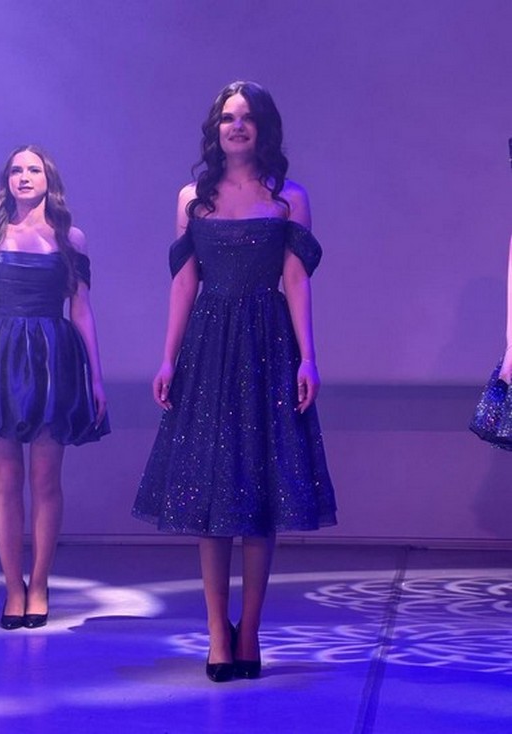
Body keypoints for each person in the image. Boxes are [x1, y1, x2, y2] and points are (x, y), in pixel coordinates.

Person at [132, 81, 336, 681]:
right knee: (208, 492)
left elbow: (296, 281)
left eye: (247, 117)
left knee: (260, 491)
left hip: (268, 346)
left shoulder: (289, 197)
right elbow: (184, 283)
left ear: (263, 127)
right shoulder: (192, 198)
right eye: (228, 117)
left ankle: (250, 632)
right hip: (208, 348)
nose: (237, 126)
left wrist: (308, 358)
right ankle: (217, 634)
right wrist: (167, 358)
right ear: (215, 129)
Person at [0, 145, 110, 629]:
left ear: (50, 180)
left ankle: (40, 584)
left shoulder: (70, 237)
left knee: (45, 480)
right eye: (16, 170)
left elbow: (81, 310)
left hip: (50, 360)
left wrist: (95, 375)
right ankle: (12, 588)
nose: (24, 177)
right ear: (6, 180)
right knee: (6, 478)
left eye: (33, 169)